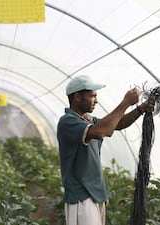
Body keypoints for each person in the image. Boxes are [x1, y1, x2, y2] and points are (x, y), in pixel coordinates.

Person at [57, 75, 154, 225]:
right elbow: (101, 131)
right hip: (81, 196)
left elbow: (118, 123)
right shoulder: (68, 121)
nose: (96, 100)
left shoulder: (87, 119)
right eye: (92, 96)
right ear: (77, 97)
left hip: (95, 194)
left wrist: (141, 109)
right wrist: (125, 103)